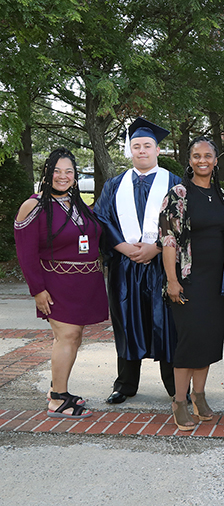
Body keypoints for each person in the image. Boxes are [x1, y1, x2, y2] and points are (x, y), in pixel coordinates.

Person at [14, 148, 107, 419]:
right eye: (56, 171)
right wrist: (37, 290)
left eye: (68, 171)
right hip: (55, 285)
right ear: (46, 173)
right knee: (66, 337)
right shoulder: (34, 205)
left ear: (76, 176)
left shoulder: (78, 203)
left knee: (74, 337)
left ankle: (59, 388)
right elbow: (26, 252)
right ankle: (57, 400)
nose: (62, 176)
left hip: (84, 284)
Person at [94, 118, 181, 404]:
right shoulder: (114, 184)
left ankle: (175, 386)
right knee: (126, 320)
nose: (141, 151)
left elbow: (183, 222)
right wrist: (124, 248)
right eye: (136, 146)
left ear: (157, 150)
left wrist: (156, 248)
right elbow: (102, 219)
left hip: (161, 264)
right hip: (125, 265)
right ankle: (125, 383)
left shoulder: (174, 182)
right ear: (129, 151)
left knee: (166, 322)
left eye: (147, 146)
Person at [158, 137, 224, 430]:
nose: (203, 160)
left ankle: (199, 396)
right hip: (188, 279)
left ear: (215, 160)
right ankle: (180, 400)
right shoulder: (178, 194)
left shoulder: (221, 194)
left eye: (208, 156)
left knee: (209, 341)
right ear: (189, 160)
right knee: (189, 342)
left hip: (217, 281)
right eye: (197, 156)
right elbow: (168, 239)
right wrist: (172, 280)